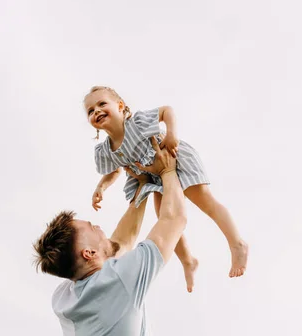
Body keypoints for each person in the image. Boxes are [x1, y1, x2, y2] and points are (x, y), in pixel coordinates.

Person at [85, 86, 248, 286]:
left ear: (120, 106)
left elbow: (166, 111)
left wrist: (172, 134)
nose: (96, 111)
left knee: (206, 201)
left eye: (102, 104)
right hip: (153, 176)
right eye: (91, 111)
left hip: (172, 157)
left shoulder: (136, 124)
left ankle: (236, 243)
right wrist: (102, 188)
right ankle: (188, 260)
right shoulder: (106, 150)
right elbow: (114, 171)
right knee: (164, 218)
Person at [33, 137, 186, 335]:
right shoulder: (118, 280)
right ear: (88, 253)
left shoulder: (63, 298)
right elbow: (174, 219)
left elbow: (121, 243)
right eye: (91, 227)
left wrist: (142, 186)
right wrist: (167, 170)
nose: (97, 226)